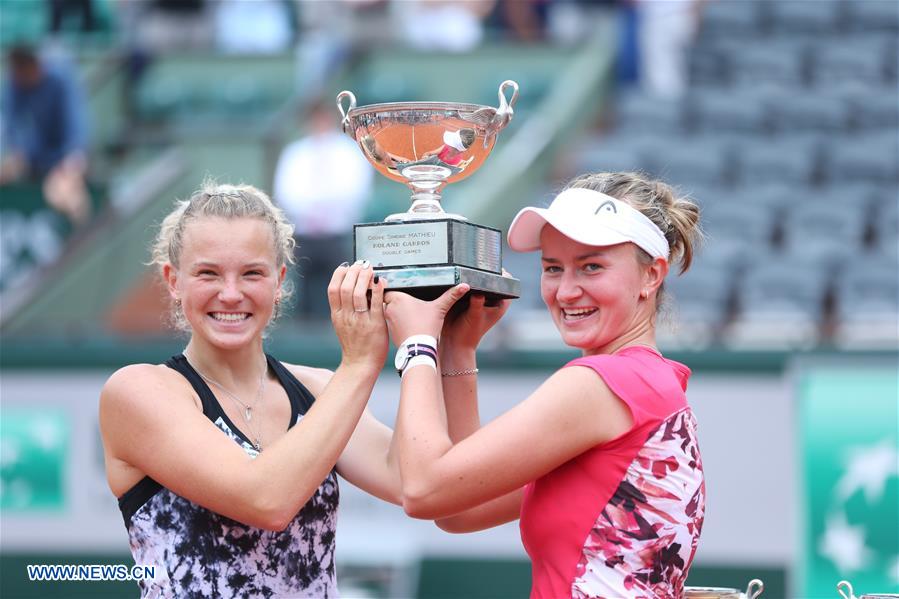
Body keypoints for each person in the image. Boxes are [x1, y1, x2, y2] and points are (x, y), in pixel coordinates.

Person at [383, 171, 706, 597]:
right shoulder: (651, 382)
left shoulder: (604, 384)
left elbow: (423, 489)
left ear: (652, 275)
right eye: (553, 268)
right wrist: (458, 349)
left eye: (591, 266)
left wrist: (417, 345)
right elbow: (458, 508)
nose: (567, 290)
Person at [98, 181, 397, 597]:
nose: (231, 293)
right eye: (208, 273)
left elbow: (417, 482)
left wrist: (447, 347)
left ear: (279, 282)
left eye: (252, 273)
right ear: (173, 280)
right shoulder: (138, 391)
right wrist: (362, 362)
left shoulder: (321, 390)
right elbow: (265, 500)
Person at [273, 100, 373, 320]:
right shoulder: (296, 152)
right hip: (304, 233)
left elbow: (356, 188)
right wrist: (310, 212)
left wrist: (329, 211)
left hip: (338, 233)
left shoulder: (348, 152)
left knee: (340, 289)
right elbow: (286, 191)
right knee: (304, 293)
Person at [1, 45, 91, 226]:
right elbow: (12, 131)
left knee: (60, 193)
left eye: (21, 71)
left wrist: (72, 161)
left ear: (33, 66)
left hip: (66, 159)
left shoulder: (59, 79)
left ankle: (82, 229)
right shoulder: (14, 86)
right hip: (36, 161)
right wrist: (15, 157)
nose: (18, 77)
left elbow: (76, 129)